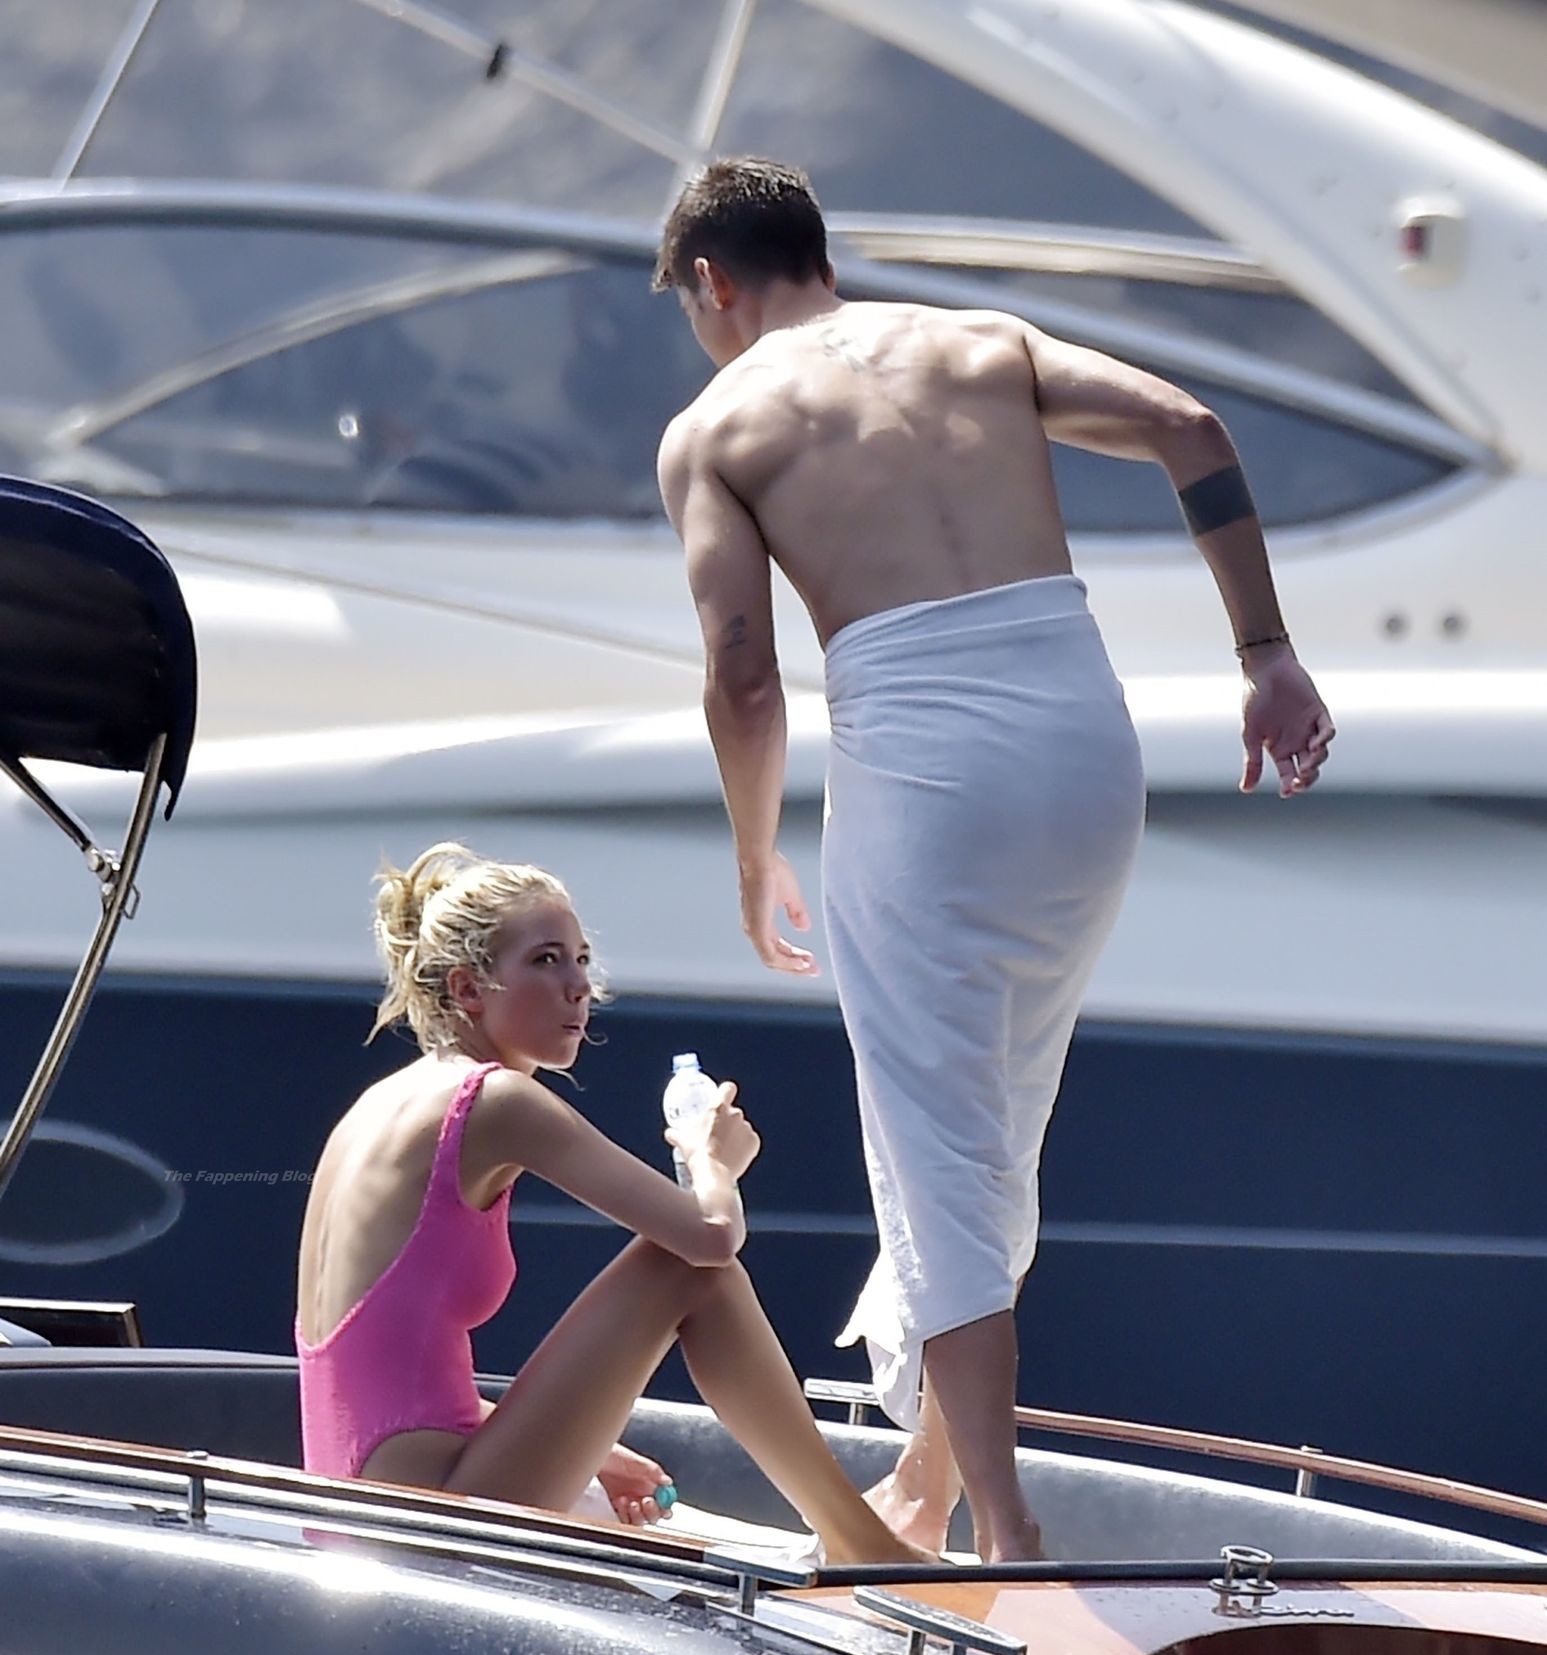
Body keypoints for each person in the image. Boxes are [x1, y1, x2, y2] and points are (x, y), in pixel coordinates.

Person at [653, 158, 1335, 1562]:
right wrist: (1264, 653)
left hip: (931, 777)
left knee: (934, 1139)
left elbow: (743, 676)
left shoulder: (718, 424)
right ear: (814, 253)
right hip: (1084, 753)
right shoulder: (980, 342)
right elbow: (1189, 428)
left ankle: (1007, 1536)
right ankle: (928, 1485)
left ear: (712, 285)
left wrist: (749, 850)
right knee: (995, 1122)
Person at [294, 841, 926, 1565]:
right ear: (469, 988)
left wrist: (592, 1448)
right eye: (545, 961)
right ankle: (863, 1546)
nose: (578, 986)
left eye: (582, 959)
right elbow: (710, 1236)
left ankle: (857, 1541)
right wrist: (709, 1159)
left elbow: (375, 1373)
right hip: (425, 1526)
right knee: (686, 1271)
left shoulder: (377, 1107)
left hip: (356, 1509)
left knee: (683, 1267)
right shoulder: (495, 1100)